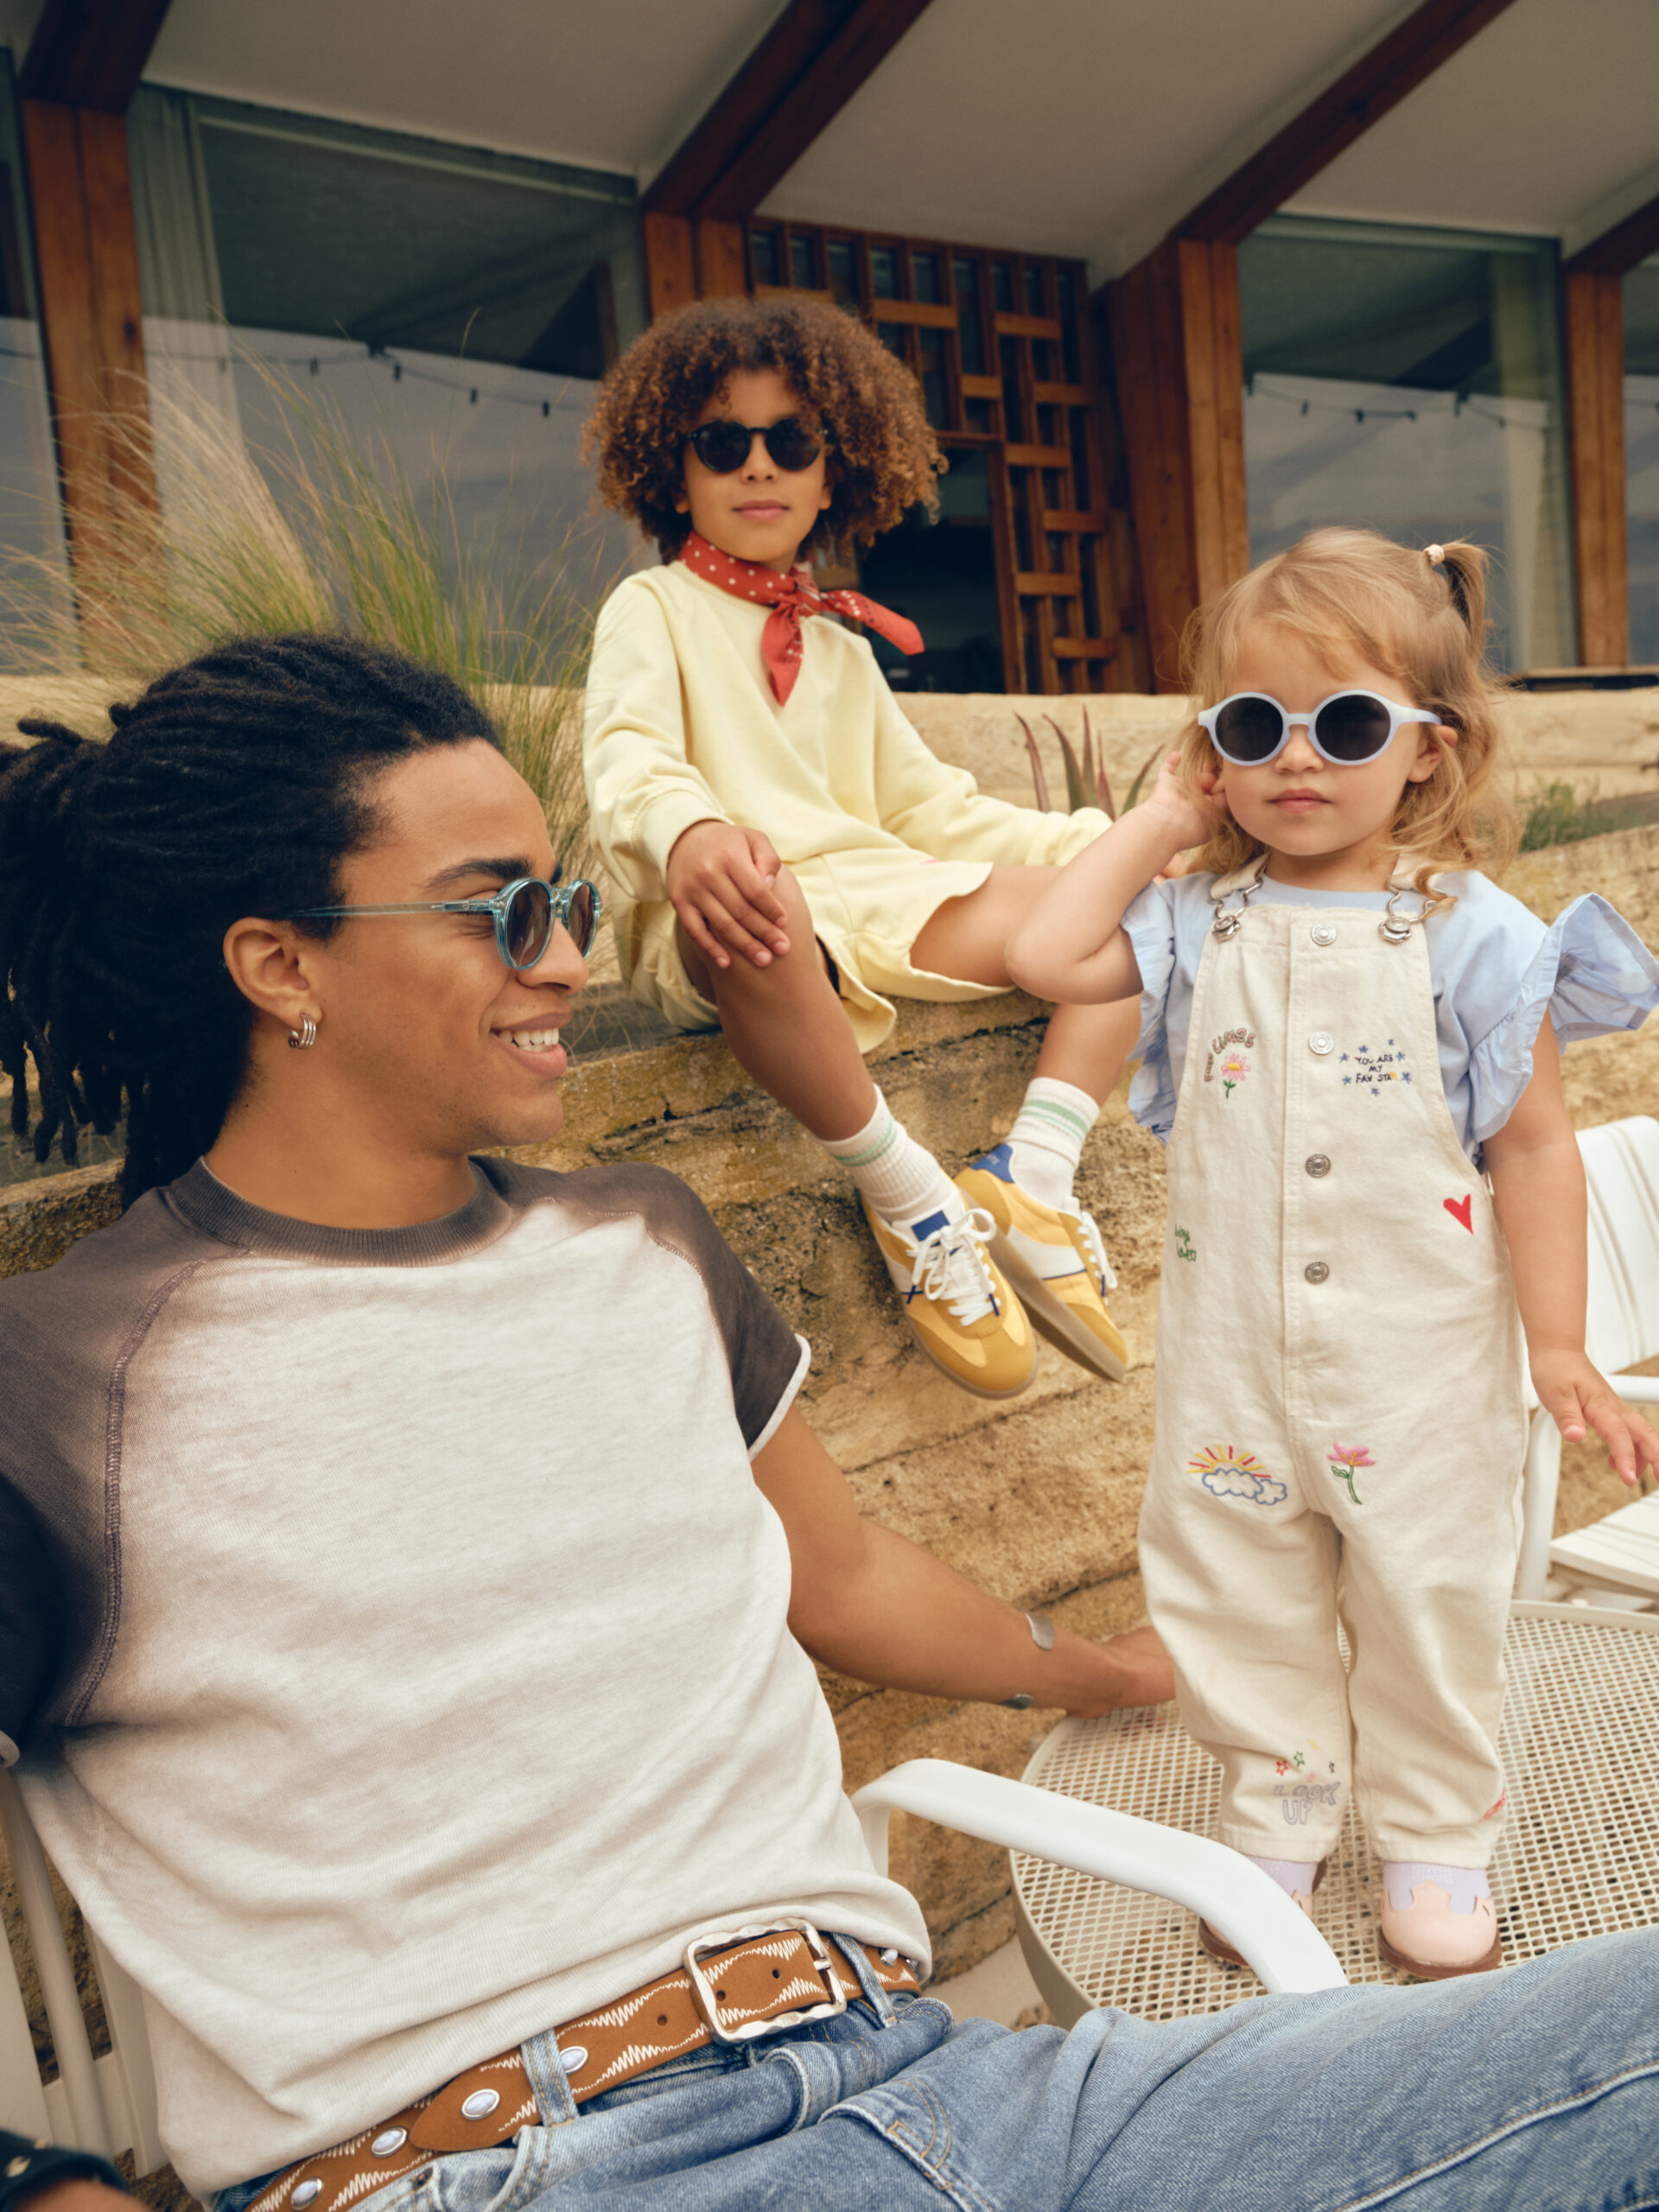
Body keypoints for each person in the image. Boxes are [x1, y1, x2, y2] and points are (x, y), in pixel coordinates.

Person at [2, 638, 1657, 2212]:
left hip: (937, 2085)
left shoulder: (641, 1242)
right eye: (498, 910)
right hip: (514, 2162)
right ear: (279, 963)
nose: (563, 956)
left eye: (563, 901)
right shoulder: (66, 1388)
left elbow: (843, 1574)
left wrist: (1107, 1670)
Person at [1007, 529, 1659, 1981]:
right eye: (1254, 727)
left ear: (1428, 748)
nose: (1296, 758)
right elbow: (1048, 958)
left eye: (1347, 724)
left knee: (1428, 1601)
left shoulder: (1478, 937)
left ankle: (1437, 1834)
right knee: (1238, 1598)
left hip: (1419, 1373)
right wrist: (1161, 821)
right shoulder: (1194, 921)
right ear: (1213, 752)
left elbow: (1534, 1148)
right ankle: (1276, 1821)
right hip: (1231, 1373)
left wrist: (1562, 1346)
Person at [582, 295, 1141, 1404]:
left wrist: (1108, 844)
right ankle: (909, 1196)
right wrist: (691, 832)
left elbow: (935, 812)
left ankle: (1031, 1178)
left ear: (834, 472)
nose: (759, 465)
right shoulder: (652, 606)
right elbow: (629, 755)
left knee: (1126, 913)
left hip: (869, 896)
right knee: (762, 891)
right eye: (721, 443)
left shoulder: (839, 646)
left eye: (791, 441)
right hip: (726, 914)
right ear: (674, 475)